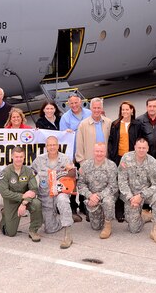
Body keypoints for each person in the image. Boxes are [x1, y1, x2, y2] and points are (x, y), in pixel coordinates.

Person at [31, 136, 76, 248]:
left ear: (58, 146)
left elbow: (75, 175)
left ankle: (68, 235)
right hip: (46, 196)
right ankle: (66, 217)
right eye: (49, 145)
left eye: (54, 145)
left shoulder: (65, 159)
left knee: (63, 200)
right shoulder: (39, 160)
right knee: (49, 229)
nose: (52, 147)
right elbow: (31, 175)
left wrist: (71, 170)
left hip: (60, 193)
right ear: (46, 147)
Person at [117, 137, 156, 243]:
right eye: (139, 147)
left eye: (144, 148)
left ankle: (155, 230)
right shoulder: (126, 158)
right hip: (130, 196)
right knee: (134, 229)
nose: (141, 150)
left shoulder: (152, 162)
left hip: (146, 194)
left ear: (148, 148)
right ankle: (144, 216)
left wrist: (141, 195)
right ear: (135, 147)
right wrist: (131, 198)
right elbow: (122, 181)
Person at [0, 145, 43, 240]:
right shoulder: (5, 172)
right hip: (11, 201)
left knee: (37, 204)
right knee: (10, 233)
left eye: (21, 157)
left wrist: (24, 202)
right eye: (16, 157)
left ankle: (33, 230)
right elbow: (4, 192)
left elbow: (34, 189)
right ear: (12, 157)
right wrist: (22, 195)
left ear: (24, 157)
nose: (18, 159)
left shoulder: (28, 171)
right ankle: (5, 214)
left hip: (26, 200)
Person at [59, 93, 91, 221]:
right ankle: (73, 206)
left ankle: (85, 205)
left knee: (85, 180)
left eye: (76, 102)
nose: (74, 105)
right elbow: (63, 138)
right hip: (72, 155)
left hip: (86, 154)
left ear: (80, 101)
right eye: (71, 103)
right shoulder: (65, 118)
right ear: (68, 104)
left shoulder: (89, 113)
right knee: (72, 181)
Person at [108, 100, 141, 222]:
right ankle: (119, 210)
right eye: (123, 109)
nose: (125, 111)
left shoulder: (137, 125)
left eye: (127, 109)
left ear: (132, 111)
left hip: (132, 159)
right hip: (118, 158)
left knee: (131, 184)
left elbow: (140, 141)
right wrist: (113, 156)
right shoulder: (115, 124)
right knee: (119, 184)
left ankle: (131, 209)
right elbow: (111, 141)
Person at [77, 142, 118, 239]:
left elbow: (113, 186)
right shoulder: (86, 165)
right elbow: (80, 184)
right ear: (93, 152)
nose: (99, 153)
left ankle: (108, 225)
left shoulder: (111, 165)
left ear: (105, 152)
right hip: (92, 198)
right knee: (96, 227)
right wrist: (90, 195)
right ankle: (100, 212)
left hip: (107, 195)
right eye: (97, 151)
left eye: (101, 151)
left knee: (108, 201)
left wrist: (98, 196)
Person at [75, 97, 111, 163]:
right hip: (89, 162)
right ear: (90, 108)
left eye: (98, 108)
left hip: (105, 162)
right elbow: (79, 145)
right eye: (94, 108)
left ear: (102, 109)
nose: (96, 110)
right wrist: (81, 162)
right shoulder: (83, 124)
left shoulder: (108, 122)